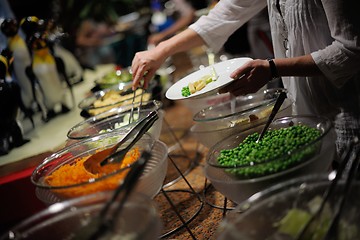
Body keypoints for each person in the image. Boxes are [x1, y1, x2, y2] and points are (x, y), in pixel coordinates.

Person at [131, 0, 360, 161]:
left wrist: (271, 69)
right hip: (307, 109)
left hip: (349, 114)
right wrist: (161, 50)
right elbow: (227, 12)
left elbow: (351, 50)